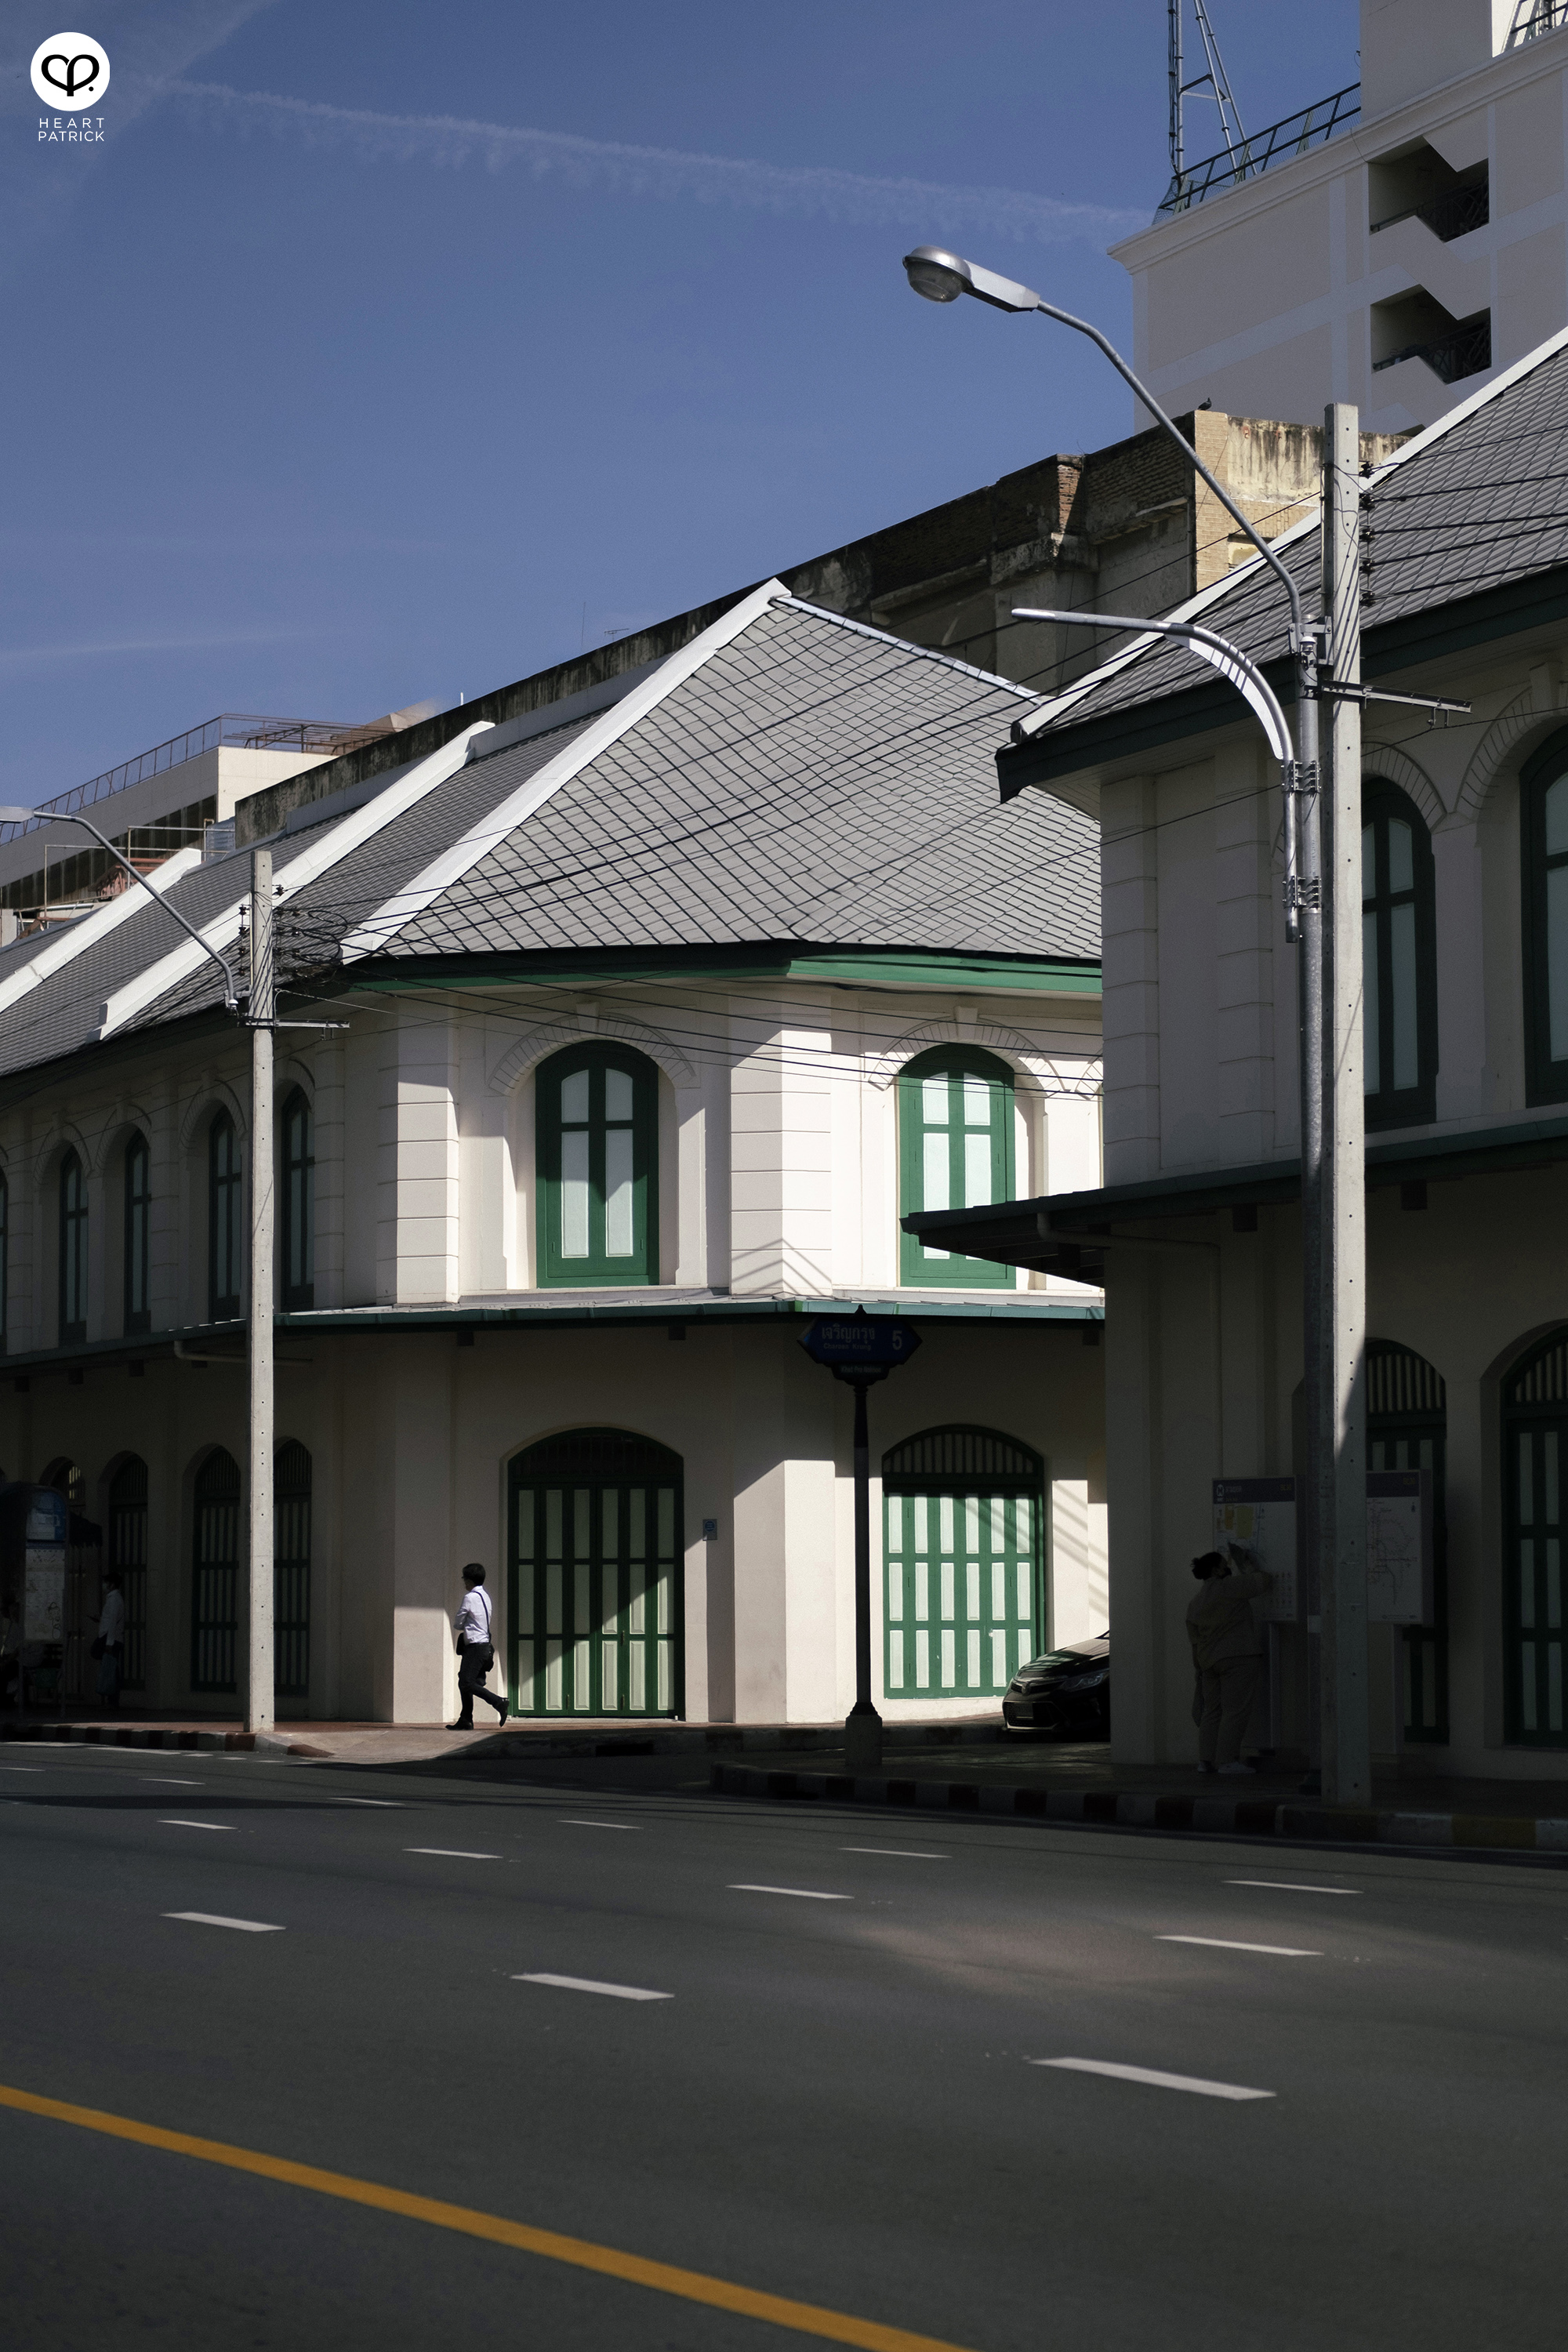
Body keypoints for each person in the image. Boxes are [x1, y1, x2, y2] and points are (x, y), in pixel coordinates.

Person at [1186, 1543, 1272, 1776]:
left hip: (1208, 1663)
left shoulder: (1195, 1603)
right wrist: (1247, 1564)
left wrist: (1200, 1670)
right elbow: (1264, 1581)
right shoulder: (1230, 1587)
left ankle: (1205, 1761)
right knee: (1236, 1711)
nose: (1227, 1568)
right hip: (1238, 1657)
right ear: (1215, 1570)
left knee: (1211, 1712)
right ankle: (1227, 1761)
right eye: (1225, 1565)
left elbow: (1195, 1642)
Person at [448, 1563, 508, 1731]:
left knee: (466, 1683)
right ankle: (466, 1719)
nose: (464, 1583)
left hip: (475, 1647)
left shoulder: (470, 1598)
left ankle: (498, 1701)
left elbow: (458, 1622)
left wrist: (466, 1623)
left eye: (464, 1579)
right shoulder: (485, 1597)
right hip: (483, 1646)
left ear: (469, 1580)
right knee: (466, 1681)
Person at [93, 1571, 126, 1711]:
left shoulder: (114, 1600)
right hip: (110, 1637)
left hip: (110, 1638)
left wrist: (109, 1644)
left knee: (111, 1668)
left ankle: (112, 1699)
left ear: (112, 1584)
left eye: (106, 1582)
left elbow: (112, 1622)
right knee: (112, 1667)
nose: (104, 1585)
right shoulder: (113, 1599)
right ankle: (112, 1698)